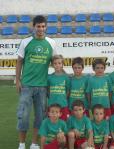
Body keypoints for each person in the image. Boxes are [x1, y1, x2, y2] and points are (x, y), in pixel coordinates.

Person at [16, 15, 57, 149]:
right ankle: (21, 144)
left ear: (46, 27)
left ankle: (34, 143)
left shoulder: (51, 43)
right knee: (23, 116)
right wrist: (17, 80)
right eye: (38, 26)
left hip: (42, 86)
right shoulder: (25, 42)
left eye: (43, 26)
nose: (41, 29)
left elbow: (56, 62)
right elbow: (19, 61)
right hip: (26, 85)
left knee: (40, 117)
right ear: (33, 27)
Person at [47, 55, 70, 121]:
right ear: (52, 65)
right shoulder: (49, 77)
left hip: (63, 104)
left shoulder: (66, 77)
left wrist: (63, 98)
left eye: (59, 63)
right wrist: (52, 98)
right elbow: (48, 91)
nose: (57, 65)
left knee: (64, 123)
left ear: (62, 64)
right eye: (55, 63)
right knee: (52, 123)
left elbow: (68, 90)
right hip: (52, 105)